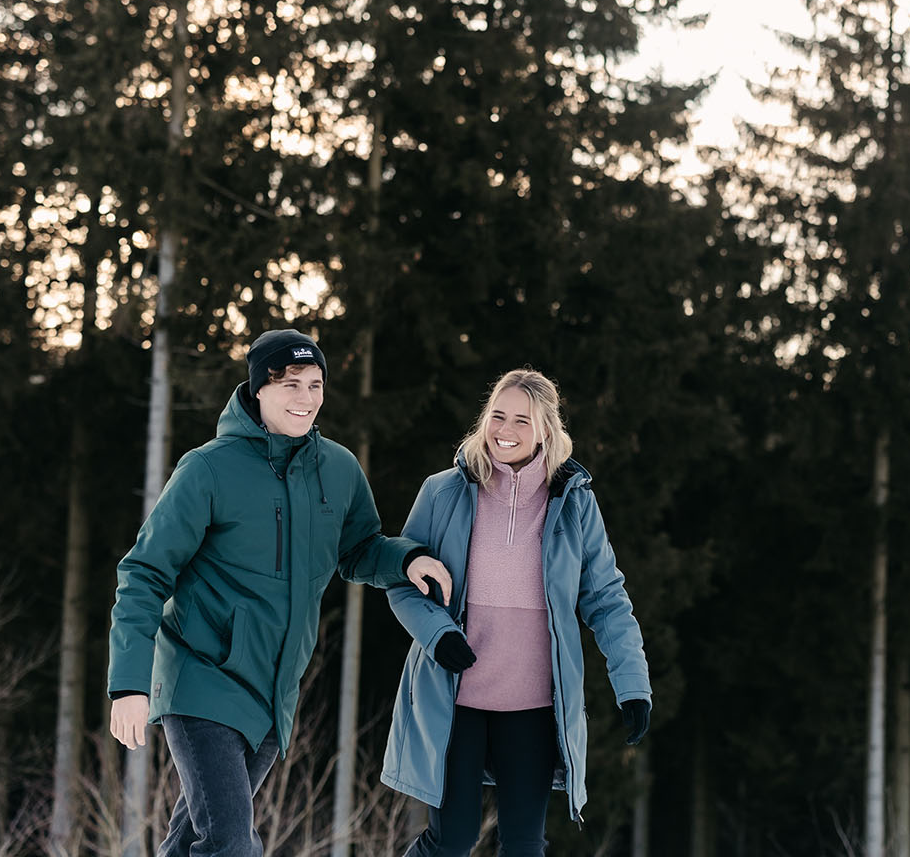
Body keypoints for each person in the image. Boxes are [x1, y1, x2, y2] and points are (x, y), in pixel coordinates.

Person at [107, 327, 453, 857]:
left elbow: (359, 549)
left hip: (274, 695)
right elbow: (145, 573)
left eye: (315, 385)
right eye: (291, 384)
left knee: (194, 840)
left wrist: (407, 559)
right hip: (202, 679)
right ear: (258, 389)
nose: (305, 398)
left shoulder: (338, 469)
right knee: (230, 843)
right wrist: (128, 685)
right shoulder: (208, 469)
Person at [381, 368, 651, 856]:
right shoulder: (442, 492)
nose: (504, 430)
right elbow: (405, 581)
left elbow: (607, 599)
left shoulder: (574, 504)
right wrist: (439, 634)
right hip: (454, 699)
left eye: (521, 421)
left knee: (525, 845)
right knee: (452, 840)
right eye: (497, 416)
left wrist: (632, 683)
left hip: (532, 706)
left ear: (546, 430)